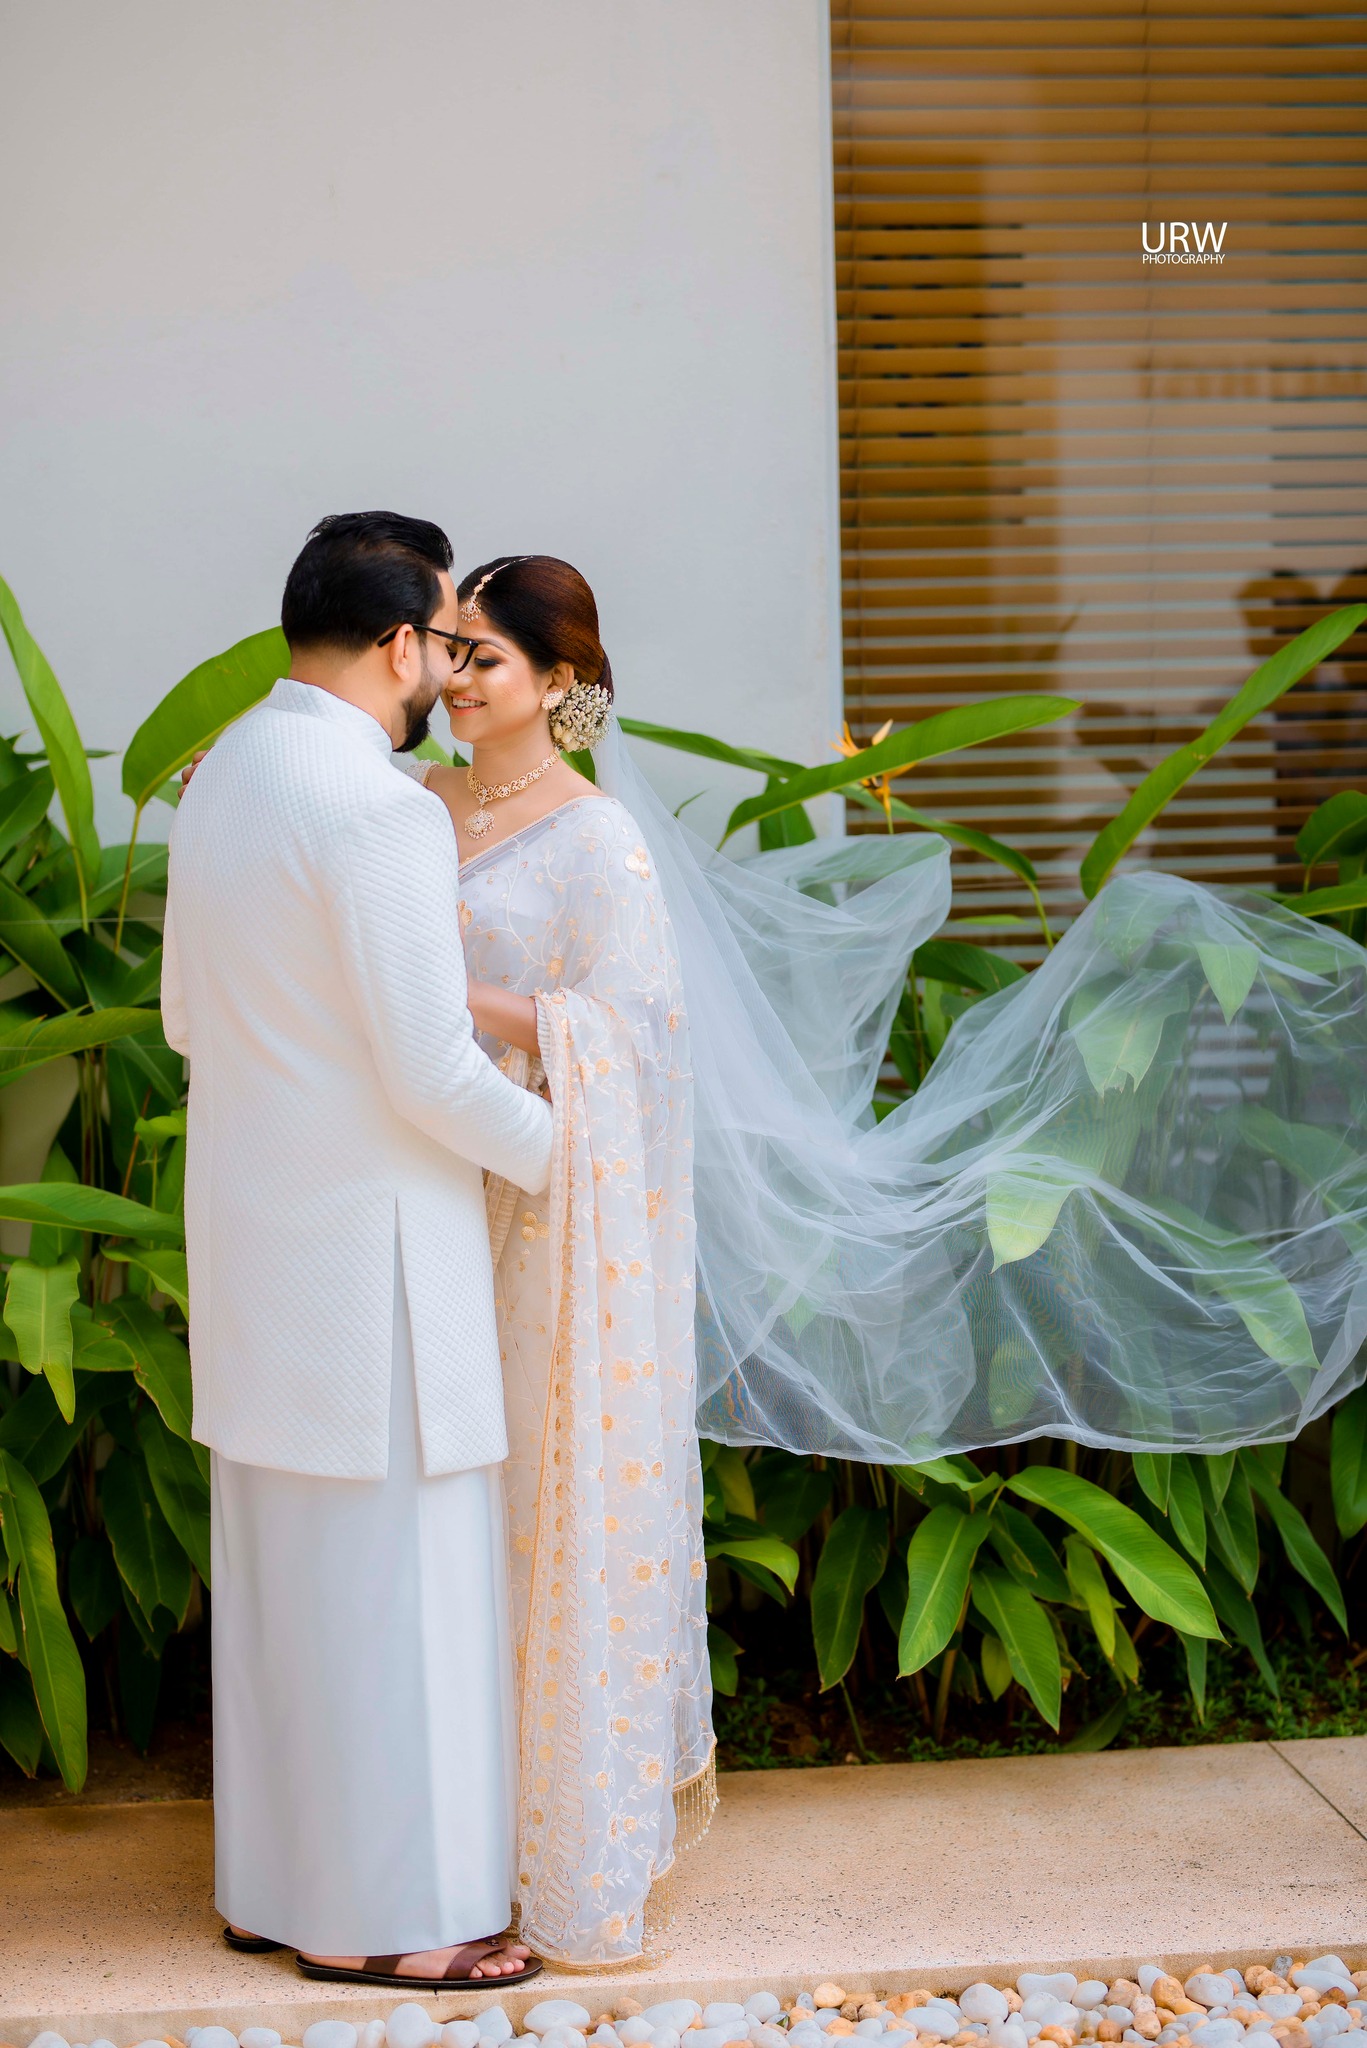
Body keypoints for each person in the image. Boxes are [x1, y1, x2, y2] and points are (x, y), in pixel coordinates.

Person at [163, 512, 554, 1989]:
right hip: (378, 1265)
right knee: (401, 1603)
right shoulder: (381, 812)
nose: (449, 668)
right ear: (401, 645)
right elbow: (434, 1070)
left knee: (286, 1592)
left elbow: (188, 1017)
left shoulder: (226, 774)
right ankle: (398, 1921)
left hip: (255, 1244)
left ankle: (275, 1894)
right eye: (447, 640)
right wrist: (577, 1155)